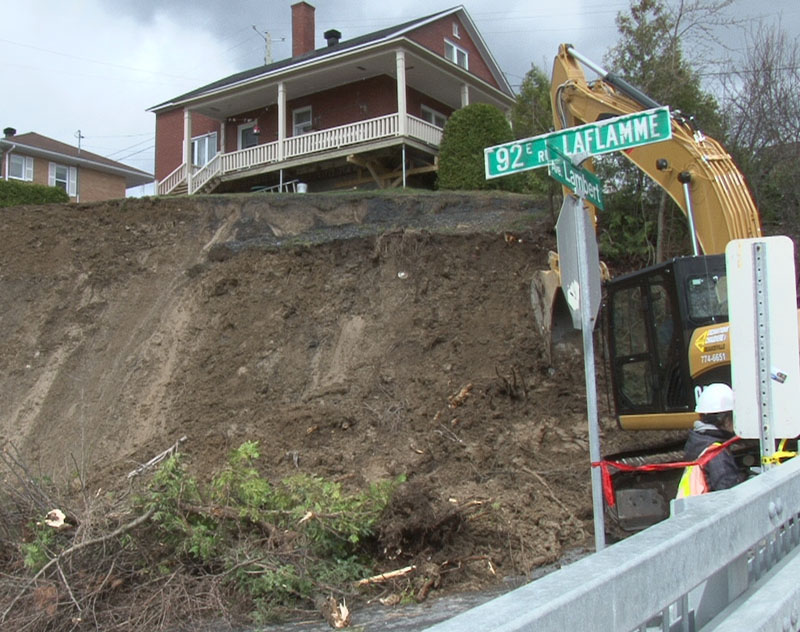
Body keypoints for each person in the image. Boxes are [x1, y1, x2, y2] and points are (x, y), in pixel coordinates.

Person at [677, 383, 743, 497]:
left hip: (694, 510)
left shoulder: (699, 442)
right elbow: (729, 496)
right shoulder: (715, 453)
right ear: (724, 419)